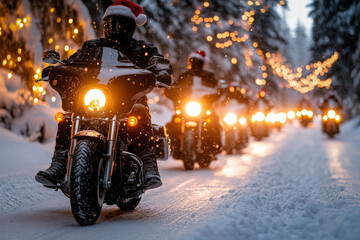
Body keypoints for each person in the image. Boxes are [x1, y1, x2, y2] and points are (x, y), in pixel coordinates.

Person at [35, 0, 173, 191]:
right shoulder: (93, 46)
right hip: (94, 99)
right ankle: (59, 161)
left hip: (130, 102)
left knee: (139, 115)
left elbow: (158, 61)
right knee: (68, 118)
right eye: (110, 22)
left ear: (131, 26)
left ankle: (148, 164)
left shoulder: (142, 48)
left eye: (120, 22)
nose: (115, 27)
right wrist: (56, 67)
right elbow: (72, 61)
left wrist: (161, 69)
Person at [165, 50, 221, 155]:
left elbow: (217, 89)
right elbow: (174, 88)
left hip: (204, 107)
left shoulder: (209, 76)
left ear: (203, 63)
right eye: (193, 61)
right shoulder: (184, 76)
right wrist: (170, 91)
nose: (195, 64)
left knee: (213, 122)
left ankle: (213, 148)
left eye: (198, 62)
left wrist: (217, 93)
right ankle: (173, 146)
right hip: (186, 106)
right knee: (175, 122)